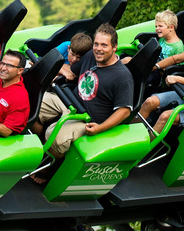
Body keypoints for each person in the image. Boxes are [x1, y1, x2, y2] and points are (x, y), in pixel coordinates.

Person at [32, 23, 134, 163]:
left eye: (104, 45)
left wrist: (100, 128)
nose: (98, 49)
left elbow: (124, 111)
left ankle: (50, 168)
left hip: (87, 118)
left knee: (54, 137)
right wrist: (56, 68)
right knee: (30, 103)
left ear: (114, 47)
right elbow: (71, 72)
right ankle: (36, 146)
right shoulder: (90, 56)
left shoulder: (122, 76)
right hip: (69, 100)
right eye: (96, 44)